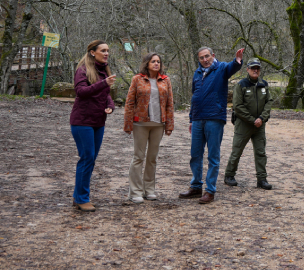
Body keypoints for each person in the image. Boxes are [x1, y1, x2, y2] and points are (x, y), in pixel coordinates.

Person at [179, 46, 245, 204]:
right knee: (195, 155)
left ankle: (210, 191)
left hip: (214, 118)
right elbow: (195, 96)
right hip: (197, 118)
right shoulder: (197, 73)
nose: (205, 60)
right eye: (201, 57)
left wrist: (237, 60)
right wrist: (191, 118)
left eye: (207, 56)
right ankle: (196, 187)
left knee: (213, 156)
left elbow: (232, 67)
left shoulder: (221, 68)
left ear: (213, 55)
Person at [70, 40, 116, 212]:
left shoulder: (104, 71)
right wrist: (103, 84)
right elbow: (80, 92)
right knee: (87, 158)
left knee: (90, 160)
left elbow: (106, 94)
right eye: (103, 50)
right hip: (82, 122)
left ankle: (78, 196)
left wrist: (110, 105)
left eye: (108, 51)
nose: (106, 53)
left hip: (98, 121)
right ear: (92, 52)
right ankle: (82, 198)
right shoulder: (83, 70)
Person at [123, 53, 175, 204]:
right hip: (140, 123)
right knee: (138, 157)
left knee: (152, 158)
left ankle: (149, 190)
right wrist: (128, 124)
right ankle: (135, 191)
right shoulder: (137, 79)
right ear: (147, 63)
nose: (156, 63)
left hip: (158, 124)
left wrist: (169, 125)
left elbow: (170, 104)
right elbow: (129, 102)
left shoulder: (165, 80)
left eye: (158, 61)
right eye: (153, 61)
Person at [224, 58, 273, 189]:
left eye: (257, 68)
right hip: (244, 125)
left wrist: (262, 118)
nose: (255, 70)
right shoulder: (241, 85)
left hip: (259, 125)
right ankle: (229, 175)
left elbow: (269, 102)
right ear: (247, 69)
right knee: (237, 151)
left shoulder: (264, 84)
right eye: (253, 68)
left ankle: (262, 179)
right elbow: (238, 106)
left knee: (261, 152)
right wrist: (252, 120)